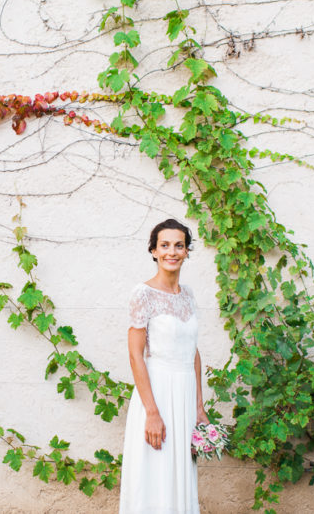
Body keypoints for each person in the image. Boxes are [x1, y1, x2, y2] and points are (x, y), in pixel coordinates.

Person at [118, 219, 208, 514]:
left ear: (186, 251)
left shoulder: (189, 296)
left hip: (184, 397)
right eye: (165, 245)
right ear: (154, 251)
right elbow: (135, 356)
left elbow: (193, 353)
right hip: (156, 395)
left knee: (180, 475)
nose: (172, 251)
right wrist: (152, 413)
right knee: (154, 476)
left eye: (179, 245)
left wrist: (199, 408)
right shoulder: (143, 294)